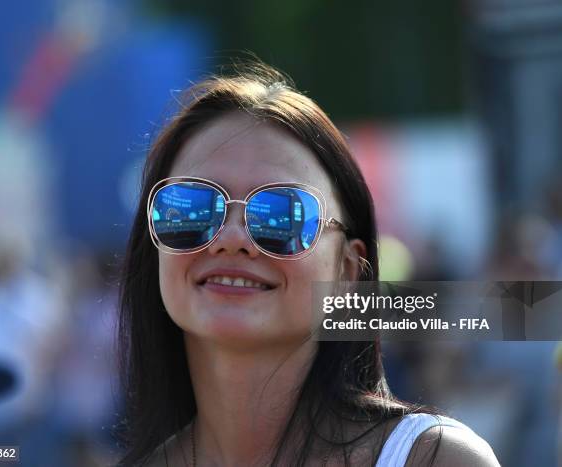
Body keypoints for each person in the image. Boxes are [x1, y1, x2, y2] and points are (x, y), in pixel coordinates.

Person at [116, 62, 500, 466]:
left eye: (282, 214)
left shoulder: (432, 459)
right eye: (192, 208)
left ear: (349, 271)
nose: (231, 239)